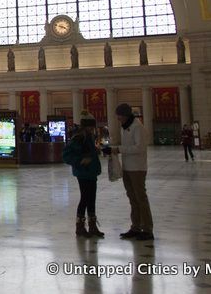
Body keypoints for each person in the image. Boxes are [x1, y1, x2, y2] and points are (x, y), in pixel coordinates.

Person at [111, 103, 153, 240]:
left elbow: (139, 148)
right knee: (132, 198)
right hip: (127, 168)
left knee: (141, 198)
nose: (118, 119)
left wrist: (119, 149)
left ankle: (147, 229)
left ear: (125, 115)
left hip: (137, 168)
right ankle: (136, 226)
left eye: (119, 116)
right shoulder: (125, 127)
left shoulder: (137, 127)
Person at [63, 113, 104, 238]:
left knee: (91, 199)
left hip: (91, 173)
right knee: (85, 198)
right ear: (85, 126)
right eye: (90, 127)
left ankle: (92, 226)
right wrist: (81, 160)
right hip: (83, 173)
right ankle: (80, 227)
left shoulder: (89, 137)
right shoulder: (79, 138)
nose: (92, 129)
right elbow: (67, 155)